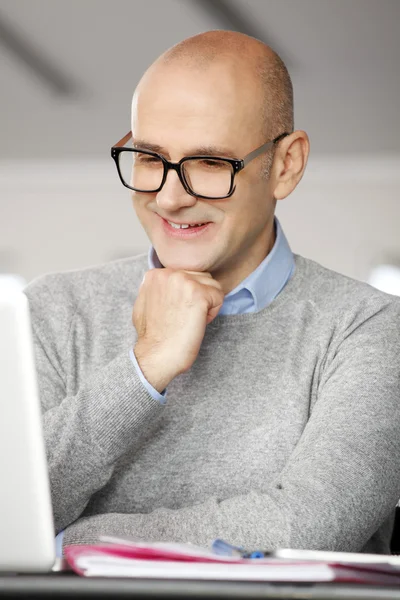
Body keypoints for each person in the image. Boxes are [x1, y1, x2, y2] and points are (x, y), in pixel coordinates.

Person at [25, 30, 400, 555]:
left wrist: (68, 543)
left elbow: (305, 528)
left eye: (209, 163)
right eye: (149, 158)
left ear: (286, 165)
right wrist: (144, 367)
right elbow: (10, 510)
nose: (170, 197)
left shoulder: (372, 328)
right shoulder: (52, 311)